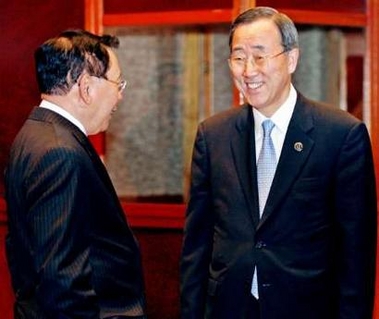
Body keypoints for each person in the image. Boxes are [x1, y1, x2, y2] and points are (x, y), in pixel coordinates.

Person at [180, 6, 377, 319]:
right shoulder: (213, 135)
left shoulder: (340, 135)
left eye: (259, 56)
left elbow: (356, 253)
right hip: (229, 307)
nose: (248, 70)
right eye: (238, 57)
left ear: (292, 59)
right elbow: (198, 244)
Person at [4, 30, 147, 319]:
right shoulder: (60, 151)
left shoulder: (36, 133)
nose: (120, 95)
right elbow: (62, 279)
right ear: (85, 87)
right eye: (118, 83)